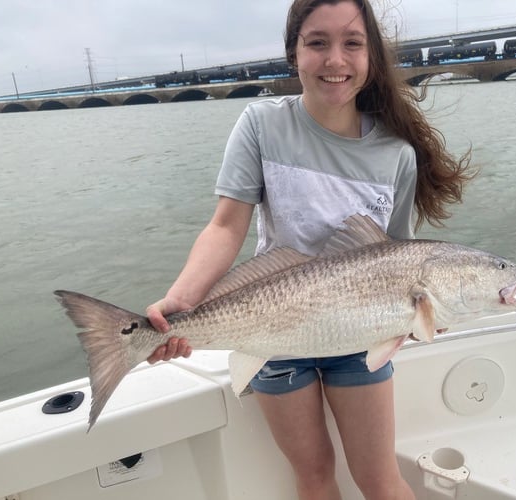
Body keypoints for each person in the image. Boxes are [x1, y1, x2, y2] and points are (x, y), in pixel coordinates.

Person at [146, 0, 472, 498]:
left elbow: (400, 254)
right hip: (274, 330)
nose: (335, 60)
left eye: (352, 43)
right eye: (317, 42)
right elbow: (226, 228)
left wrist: (433, 308)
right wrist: (182, 299)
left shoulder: (397, 155)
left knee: (380, 479)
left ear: (372, 57)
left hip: (362, 338)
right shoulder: (260, 124)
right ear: (294, 52)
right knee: (314, 475)